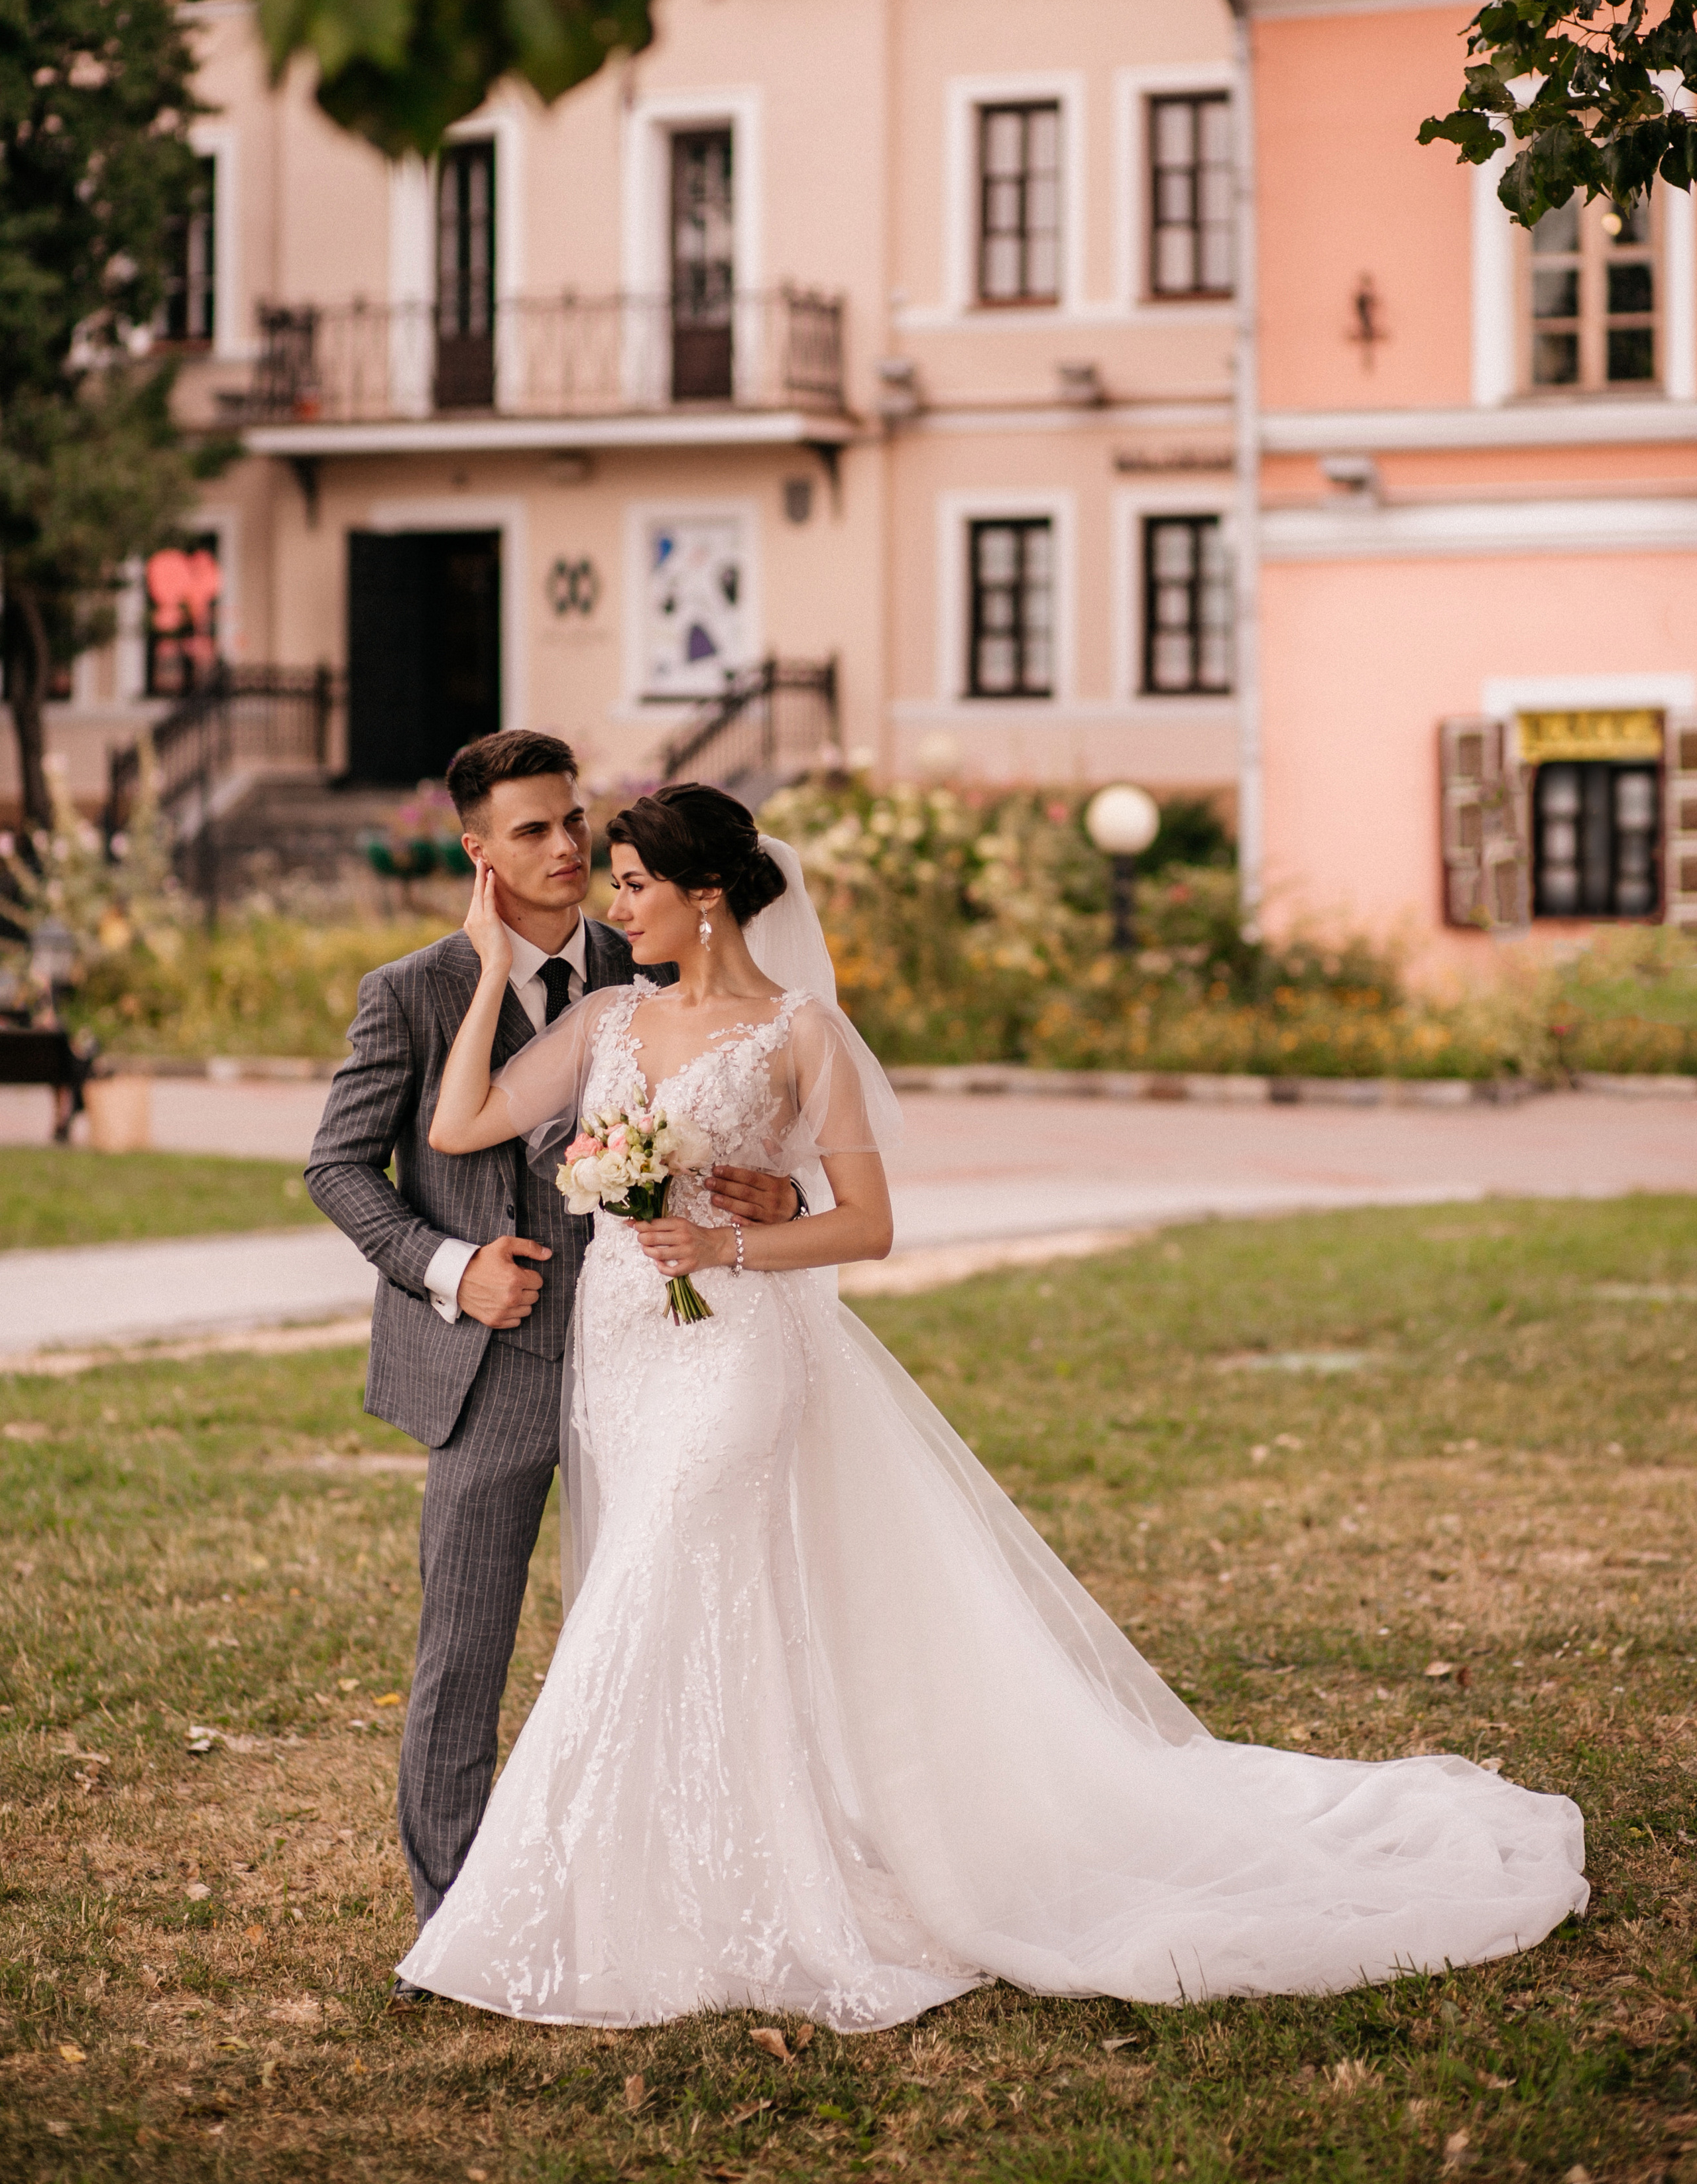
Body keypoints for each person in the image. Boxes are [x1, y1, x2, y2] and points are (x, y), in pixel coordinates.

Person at [394, 777, 1587, 2032]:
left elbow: (871, 1224)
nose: (611, 902)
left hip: (737, 1347)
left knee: (656, 1584)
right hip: (627, 1356)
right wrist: (483, 971)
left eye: (634, 884)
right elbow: (465, 1118)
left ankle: (581, 1899)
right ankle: (697, 1873)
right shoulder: (607, 1022)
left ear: (705, 898)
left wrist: (738, 1248)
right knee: (685, 1594)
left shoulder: (802, 1033)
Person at [304, 734, 801, 1982]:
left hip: (663, 1360)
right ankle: (455, 1912)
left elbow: (754, 1130)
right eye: (531, 831)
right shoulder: (412, 991)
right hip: (498, 1362)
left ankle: (672, 1883)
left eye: (574, 821)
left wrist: (777, 1205)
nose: (569, 849)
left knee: (662, 1620)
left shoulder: (645, 968)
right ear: (478, 852)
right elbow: (335, 1168)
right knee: (465, 1644)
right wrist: (444, 1268)